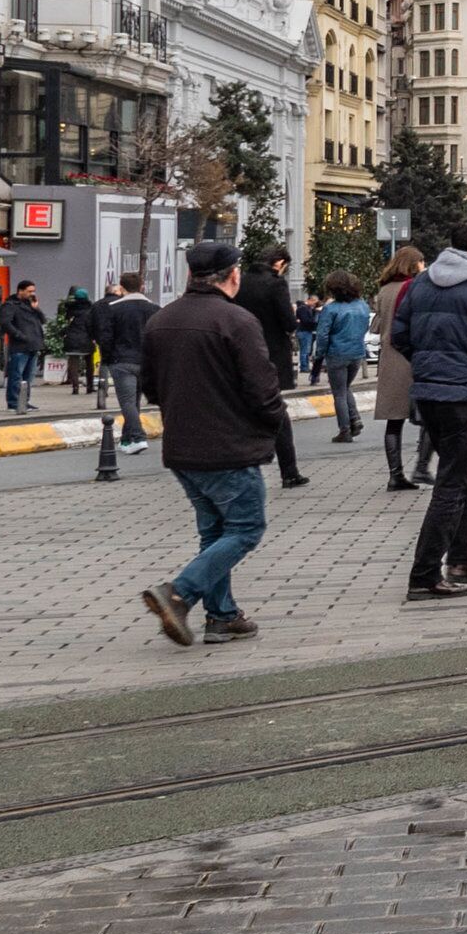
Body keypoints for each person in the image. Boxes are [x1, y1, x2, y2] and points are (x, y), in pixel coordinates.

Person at [135, 241, 291, 647]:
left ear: (190, 275)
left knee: (215, 531)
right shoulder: (236, 321)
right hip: (229, 446)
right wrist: (274, 420)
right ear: (233, 275)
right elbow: (262, 388)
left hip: (182, 447)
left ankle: (221, 616)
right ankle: (179, 593)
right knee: (246, 528)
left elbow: (148, 385)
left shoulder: (160, 320)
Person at [390, 221, 467, 601]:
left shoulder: (422, 283)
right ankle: (425, 574)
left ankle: (460, 560)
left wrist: (429, 367)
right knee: (454, 483)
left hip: (430, 393)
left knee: (466, 475)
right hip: (466, 394)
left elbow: (400, 336)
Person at [233, 247, 308, 490]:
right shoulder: (276, 285)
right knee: (276, 411)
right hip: (271, 353)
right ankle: (289, 471)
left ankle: (240, 466)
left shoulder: (240, 282)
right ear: (278, 263)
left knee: (243, 410)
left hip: (241, 351)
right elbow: (287, 322)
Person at [368, 247, 427, 489]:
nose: (424, 266)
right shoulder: (414, 288)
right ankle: (422, 467)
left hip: (389, 359)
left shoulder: (384, 290)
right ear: (413, 264)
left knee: (394, 419)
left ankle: (395, 474)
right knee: (429, 415)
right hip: (411, 356)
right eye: (422, 262)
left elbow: (376, 326)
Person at [94, 271, 157, 452]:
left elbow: (105, 337)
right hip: (145, 361)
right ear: (142, 287)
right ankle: (127, 439)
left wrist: (107, 359)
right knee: (134, 401)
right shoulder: (154, 309)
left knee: (127, 402)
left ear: (121, 288)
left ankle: (138, 437)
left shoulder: (113, 309)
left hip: (122, 361)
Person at [313, 273, 372, 438]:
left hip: (337, 353)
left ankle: (345, 429)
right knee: (346, 387)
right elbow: (365, 327)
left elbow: (322, 335)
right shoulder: (363, 306)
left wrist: (319, 355)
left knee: (339, 392)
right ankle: (355, 418)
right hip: (357, 352)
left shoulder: (331, 309)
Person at [0, 282, 48, 413]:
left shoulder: (30, 305)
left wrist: (37, 308)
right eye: (29, 291)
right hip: (20, 346)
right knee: (16, 375)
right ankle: (13, 402)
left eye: (33, 291)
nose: (32, 294)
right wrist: (19, 335)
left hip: (33, 345)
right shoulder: (10, 305)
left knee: (28, 377)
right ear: (20, 291)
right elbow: (5, 323)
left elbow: (43, 320)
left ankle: (25, 400)